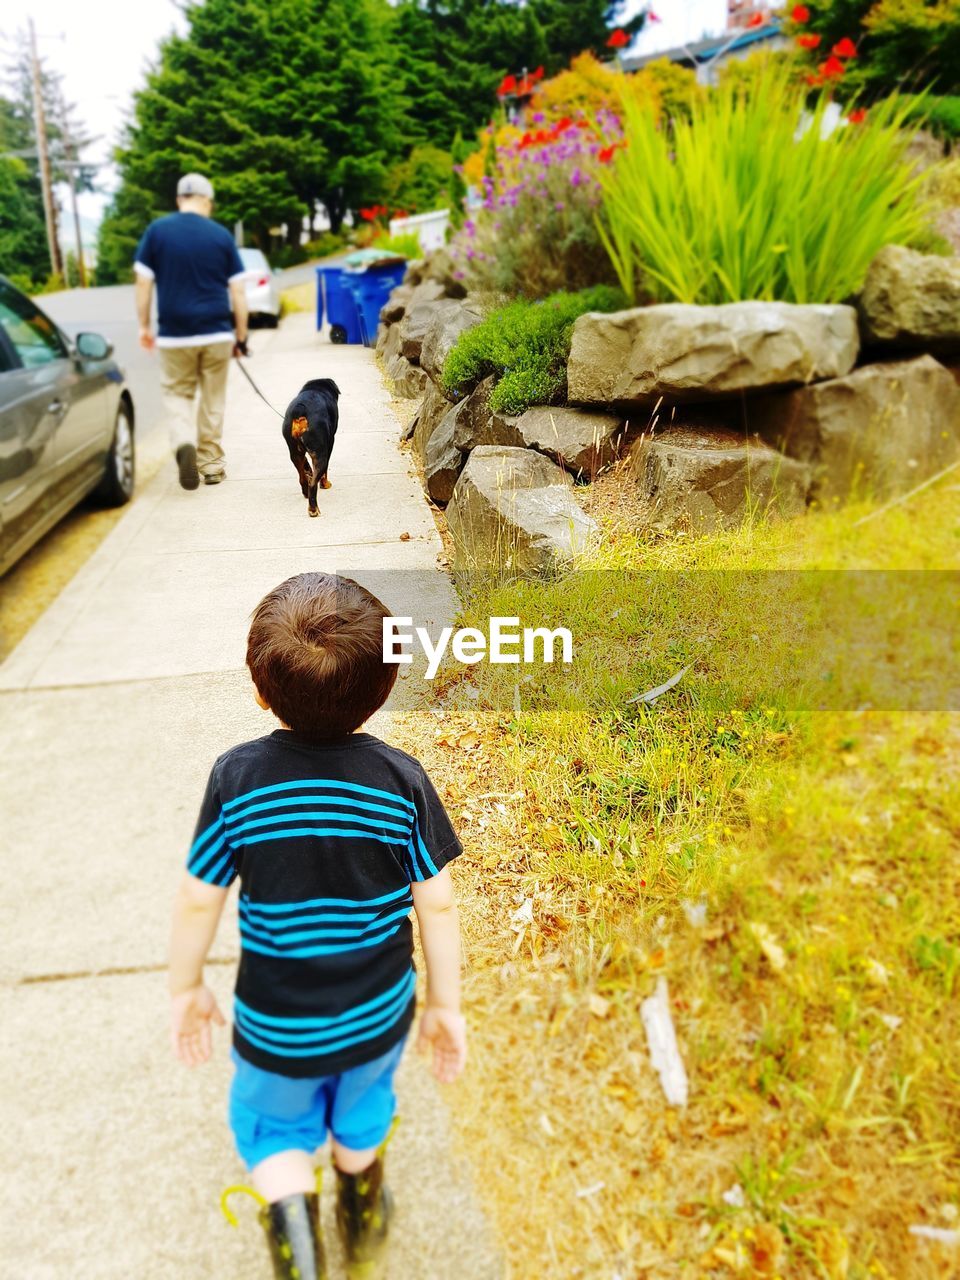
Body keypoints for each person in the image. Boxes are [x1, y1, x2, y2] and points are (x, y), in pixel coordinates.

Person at [168, 572, 467, 1280]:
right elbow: (440, 904)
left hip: (277, 1025)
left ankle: (299, 1256)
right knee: (361, 1115)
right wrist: (446, 1008)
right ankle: (362, 1223)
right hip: (377, 1010)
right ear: (384, 685)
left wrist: (186, 987)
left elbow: (197, 898)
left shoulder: (235, 780)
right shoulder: (401, 782)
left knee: (274, 1136)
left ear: (260, 688)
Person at [134, 173, 249, 490]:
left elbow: (143, 283)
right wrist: (241, 335)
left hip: (174, 333)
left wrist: (144, 325)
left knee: (177, 393)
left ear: (179, 200)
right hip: (216, 332)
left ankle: (184, 441)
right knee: (213, 398)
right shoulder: (221, 236)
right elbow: (238, 292)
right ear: (207, 201)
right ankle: (210, 465)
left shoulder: (157, 232)